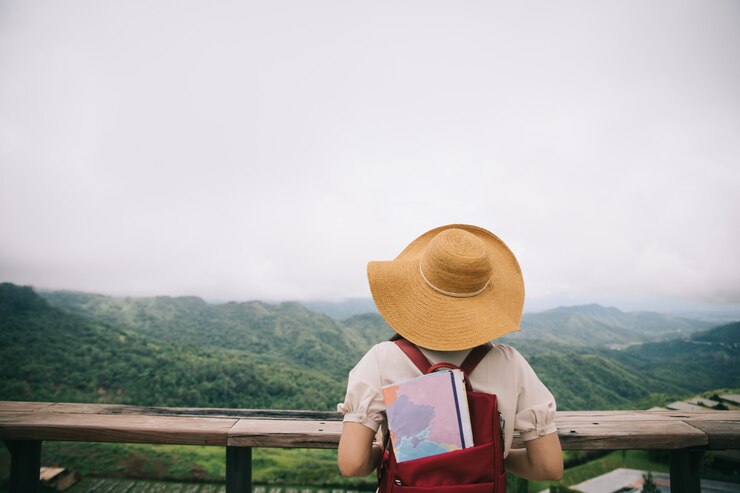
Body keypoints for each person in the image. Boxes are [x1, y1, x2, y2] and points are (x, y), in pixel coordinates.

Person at [337, 224, 563, 482]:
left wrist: (385, 454)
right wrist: (493, 456)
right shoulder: (510, 364)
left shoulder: (382, 359)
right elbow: (548, 467)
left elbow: (352, 464)